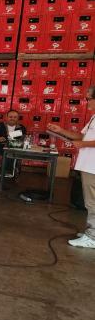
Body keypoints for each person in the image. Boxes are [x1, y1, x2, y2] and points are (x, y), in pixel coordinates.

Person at [48, 86, 95, 249]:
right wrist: (61, 130)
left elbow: (84, 141)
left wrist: (83, 144)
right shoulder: (93, 117)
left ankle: (93, 237)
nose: (86, 101)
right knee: (90, 201)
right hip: (88, 165)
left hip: (93, 167)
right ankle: (91, 231)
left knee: (92, 202)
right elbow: (82, 136)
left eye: (89, 98)